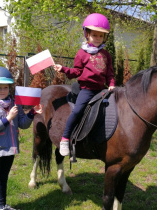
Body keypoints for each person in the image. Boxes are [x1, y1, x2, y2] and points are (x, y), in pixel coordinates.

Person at [0, 67, 42, 210]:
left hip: (9, 150)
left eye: (5, 87)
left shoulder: (15, 103)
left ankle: (2, 206)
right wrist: (8, 118)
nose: (2, 91)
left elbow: (23, 124)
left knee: (3, 179)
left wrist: (32, 113)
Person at [54, 13, 115, 156]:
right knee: (77, 111)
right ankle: (65, 138)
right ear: (87, 35)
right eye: (95, 35)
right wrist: (63, 69)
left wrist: (111, 84)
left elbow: (110, 73)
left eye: (101, 36)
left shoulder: (106, 55)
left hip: (102, 90)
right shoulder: (82, 53)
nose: (98, 39)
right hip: (87, 90)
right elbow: (76, 71)